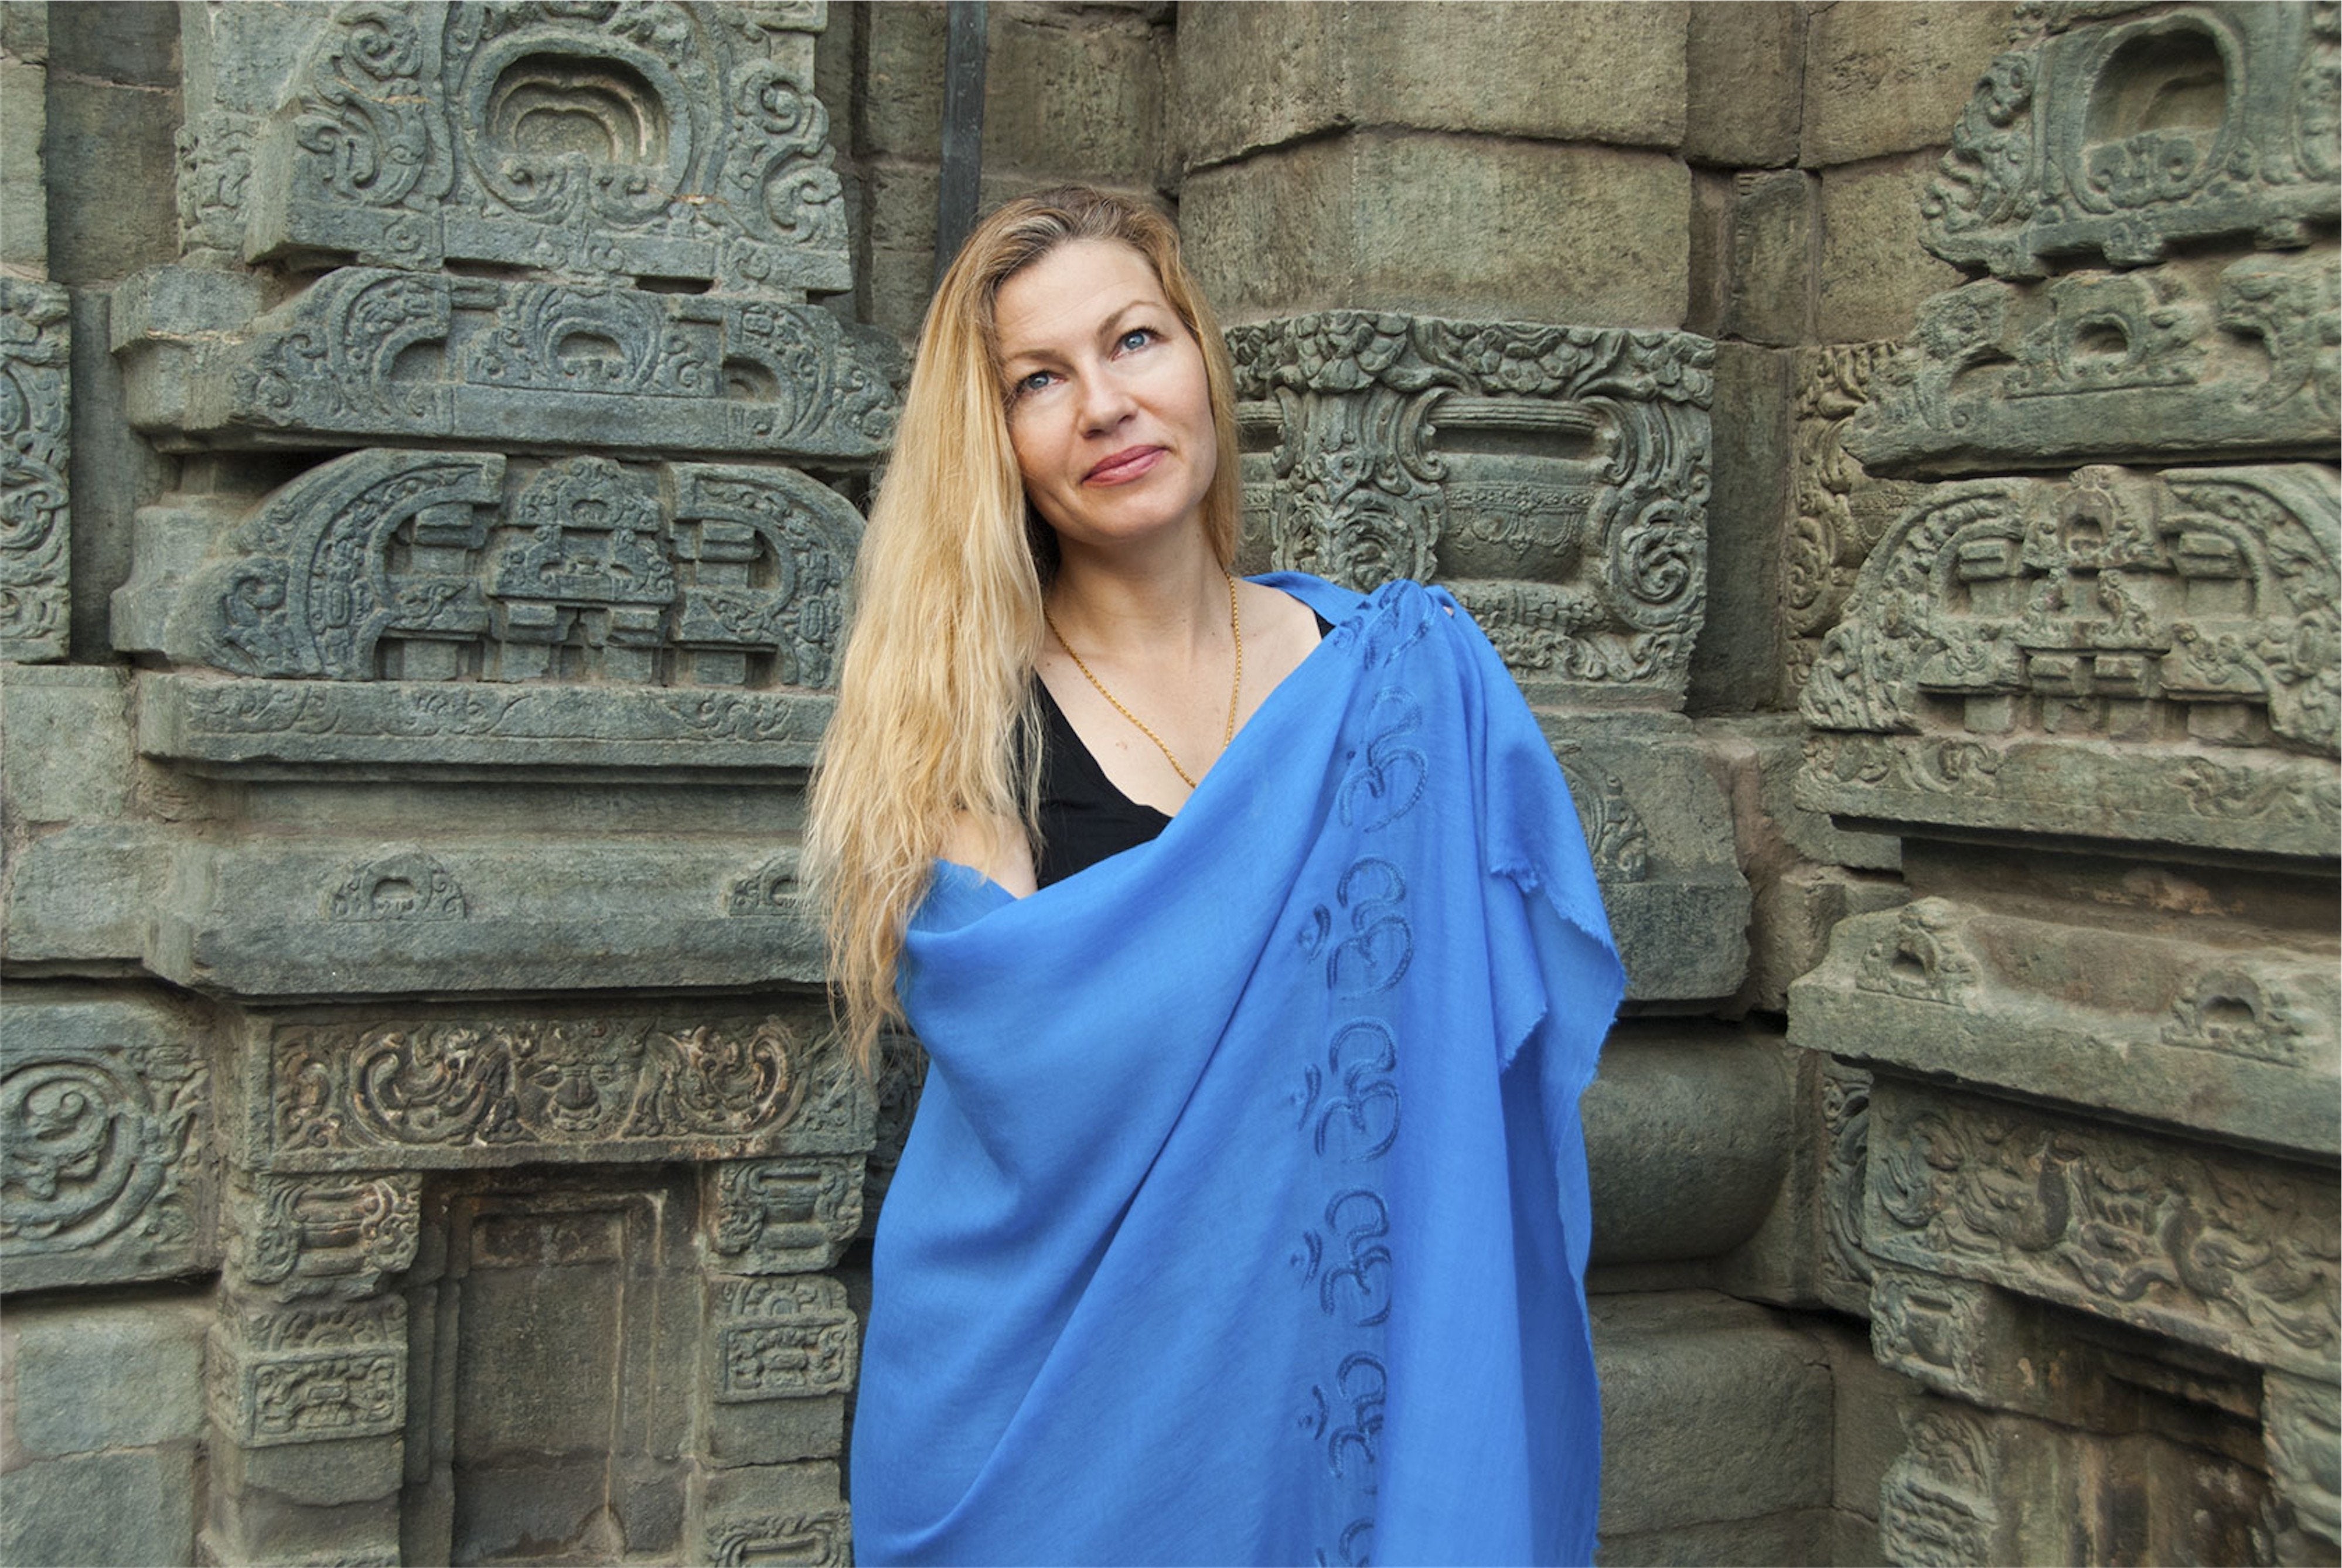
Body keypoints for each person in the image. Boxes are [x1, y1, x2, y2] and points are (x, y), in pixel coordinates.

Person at [804, 186, 1625, 1567]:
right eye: (1038, 382)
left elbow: (1482, 1064)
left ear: (1200, 358)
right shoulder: (963, 740)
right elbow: (1052, 1082)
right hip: (1044, 1428)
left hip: (1348, 1399)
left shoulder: (1403, 684)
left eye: (1134, 341)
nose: (1105, 407)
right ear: (993, 443)